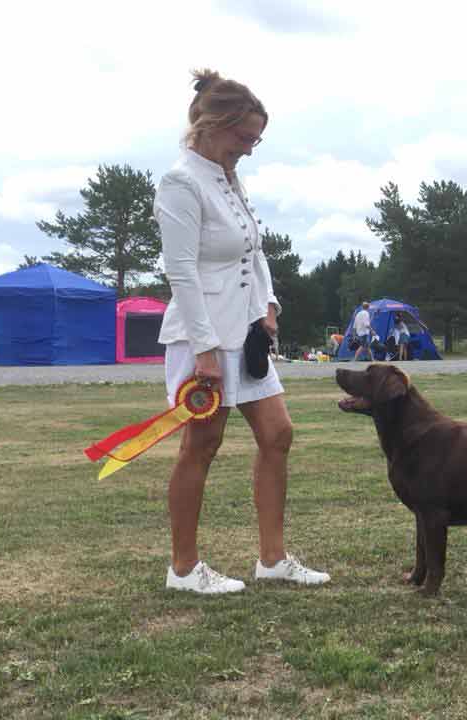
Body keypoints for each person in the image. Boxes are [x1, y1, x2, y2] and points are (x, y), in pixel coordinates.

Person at [155, 68, 330, 594]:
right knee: (201, 446)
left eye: (256, 139)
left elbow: (254, 250)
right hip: (203, 337)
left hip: (247, 334)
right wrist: (205, 349)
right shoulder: (180, 183)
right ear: (211, 125)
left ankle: (272, 560)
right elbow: (180, 271)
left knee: (278, 435)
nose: (250, 149)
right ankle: (183, 569)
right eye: (244, 138)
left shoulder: (229, 178)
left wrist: (269, 307)